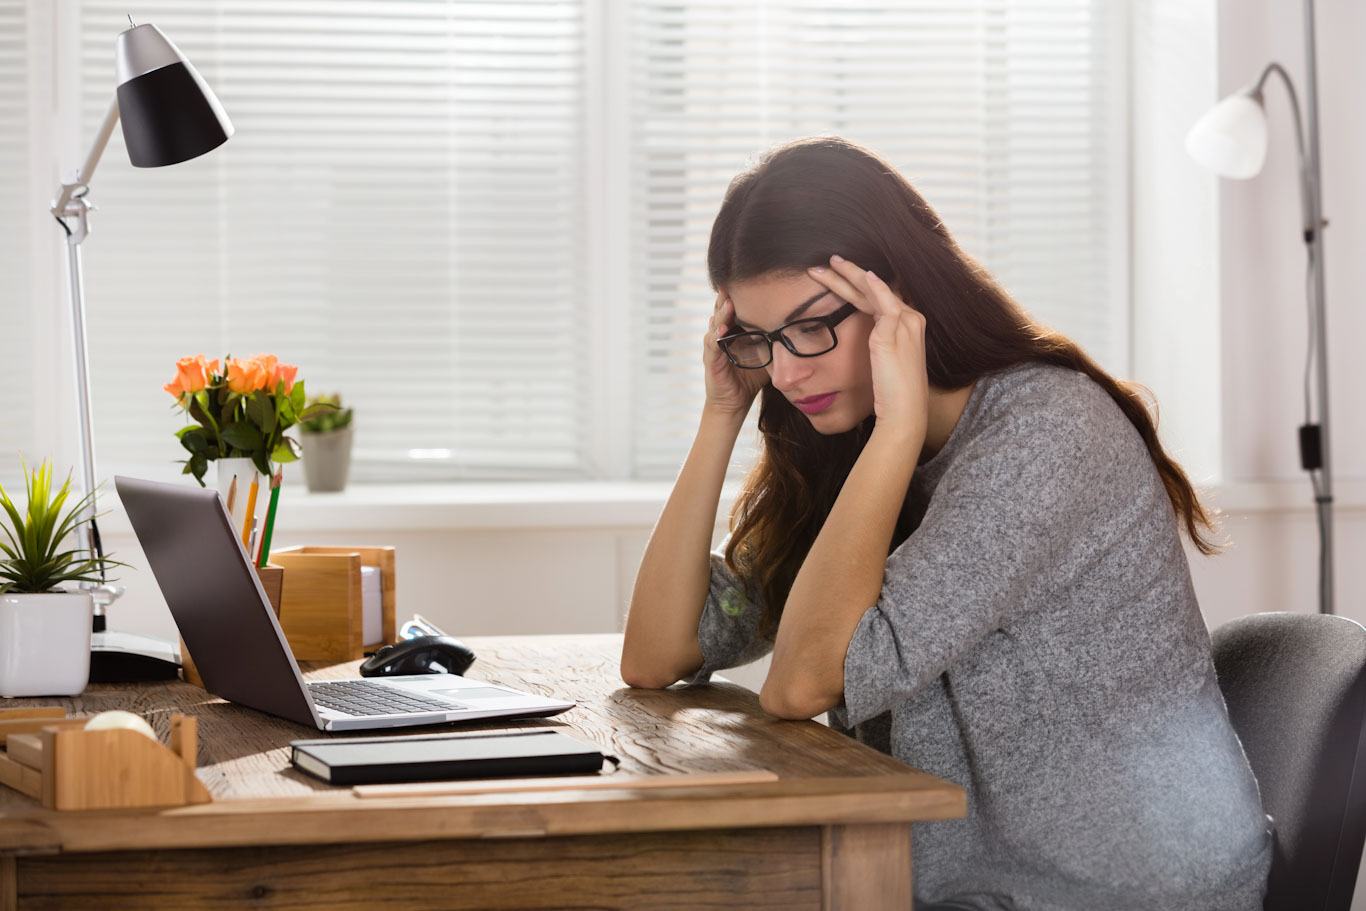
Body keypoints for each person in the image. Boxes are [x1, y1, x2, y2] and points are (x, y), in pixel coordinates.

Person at [620, 136, 1271, 910]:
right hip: (961, 886)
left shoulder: (1044, 434)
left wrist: (896, 432)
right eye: (759, 339)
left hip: (1123, 891)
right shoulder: (844, 443)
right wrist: (722, 412)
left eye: (811, 327)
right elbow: (656, 655)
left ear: (897, 301)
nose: (788, 372)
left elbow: (801, 681)